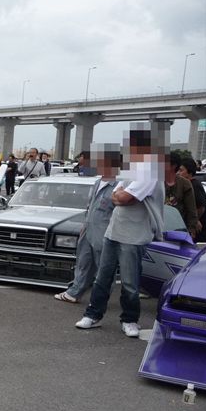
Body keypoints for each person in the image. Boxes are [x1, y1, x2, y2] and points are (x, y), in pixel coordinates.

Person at [76, 126, 165, 338]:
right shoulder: (130, 171)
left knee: (130, 282)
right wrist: (121, 196)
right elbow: (116, 197)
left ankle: (129, 319)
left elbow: (123, 198)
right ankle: (93, 314)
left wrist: (122, 196)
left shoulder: (151, 172)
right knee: (102, 277)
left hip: (134, 235)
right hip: (113, 231)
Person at [54, 144, 120, 303]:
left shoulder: (119, 185)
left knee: (103, 268)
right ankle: (74, 292)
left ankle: (100, 299)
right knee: (83, 262)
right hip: (88, 229)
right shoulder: (98, 183)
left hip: (105, 233)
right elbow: (91, 207)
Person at [165, 152, 198, 240]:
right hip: (157, 228)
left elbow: (191, 209)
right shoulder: (155, 181)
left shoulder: (185, 184)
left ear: (173, 166)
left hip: (178, 229)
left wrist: (192, 229)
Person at [178, 156, 206, 241]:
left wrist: (194, 223)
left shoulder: (194, 185)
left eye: (181, 170)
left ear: (189, 172)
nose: (178, 173)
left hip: (199, 229)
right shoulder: (185, 184)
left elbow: (201, 207)